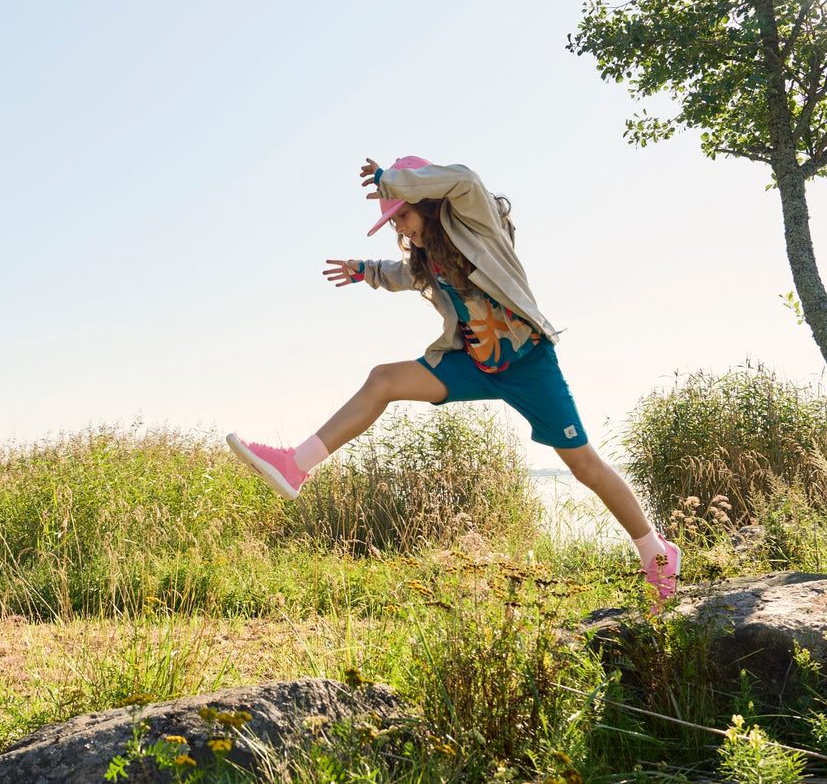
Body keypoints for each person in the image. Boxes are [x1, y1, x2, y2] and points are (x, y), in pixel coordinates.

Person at [226, 157, 681, 604]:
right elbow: (404, 274)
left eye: (402, 214)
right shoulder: (428, 259)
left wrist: (391, 179)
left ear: (424, 200)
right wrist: (365, 270)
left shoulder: (479, 226)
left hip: (530, 367)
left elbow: (465, 178)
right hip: (474, 366)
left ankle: (657, 556)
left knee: (584, 467)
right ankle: (295, 464)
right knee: (383, 379)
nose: (399, 227)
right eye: (394, 222)